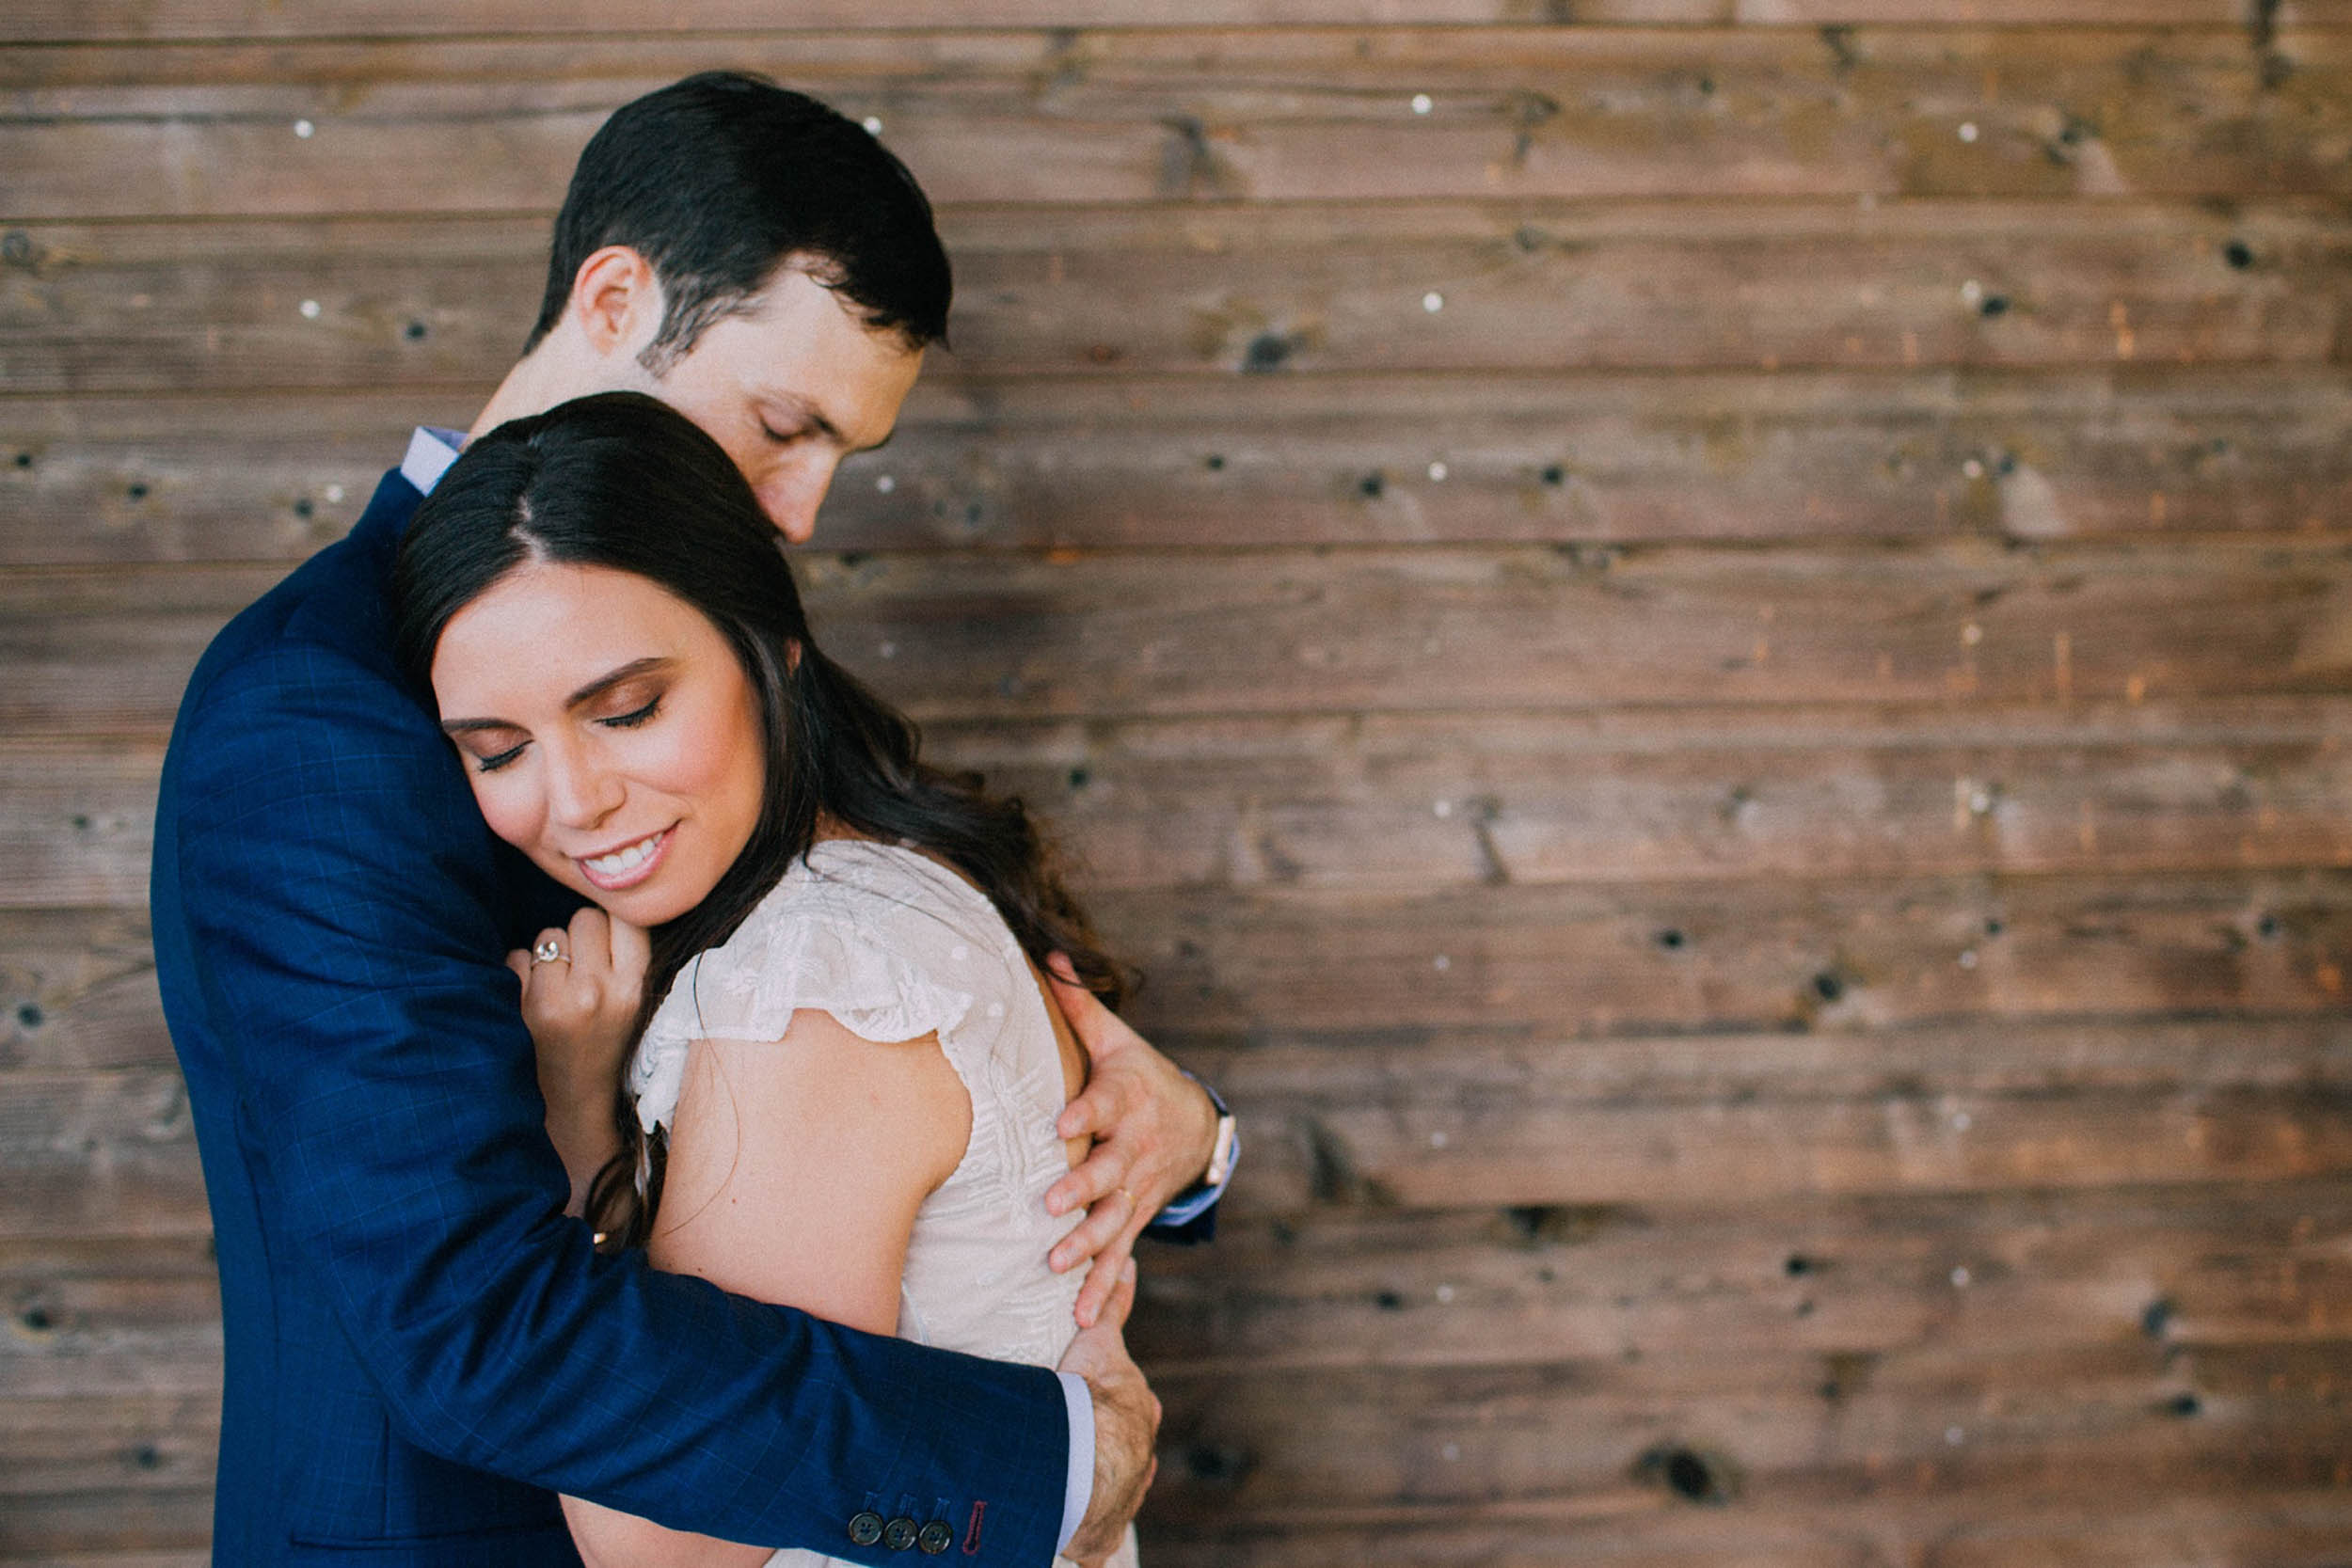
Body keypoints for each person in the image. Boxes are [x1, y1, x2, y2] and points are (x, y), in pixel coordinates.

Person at [150, 72, 1233, 1567]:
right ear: (614, 299)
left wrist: (1175, 1131)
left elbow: (911, 1026)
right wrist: (1030, 1473)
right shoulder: (316, 714)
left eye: (841, 458)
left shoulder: (718, 651)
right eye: (783, 424)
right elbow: (471, 1323)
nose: (801, 511)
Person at [396, 388, 1148, 1568]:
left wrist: (576, 1122)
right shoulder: (872, 882)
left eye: (628, 709)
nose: (575, 798)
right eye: (498, 750)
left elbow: (663, 1541)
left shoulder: (810, 984)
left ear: (771, 653)